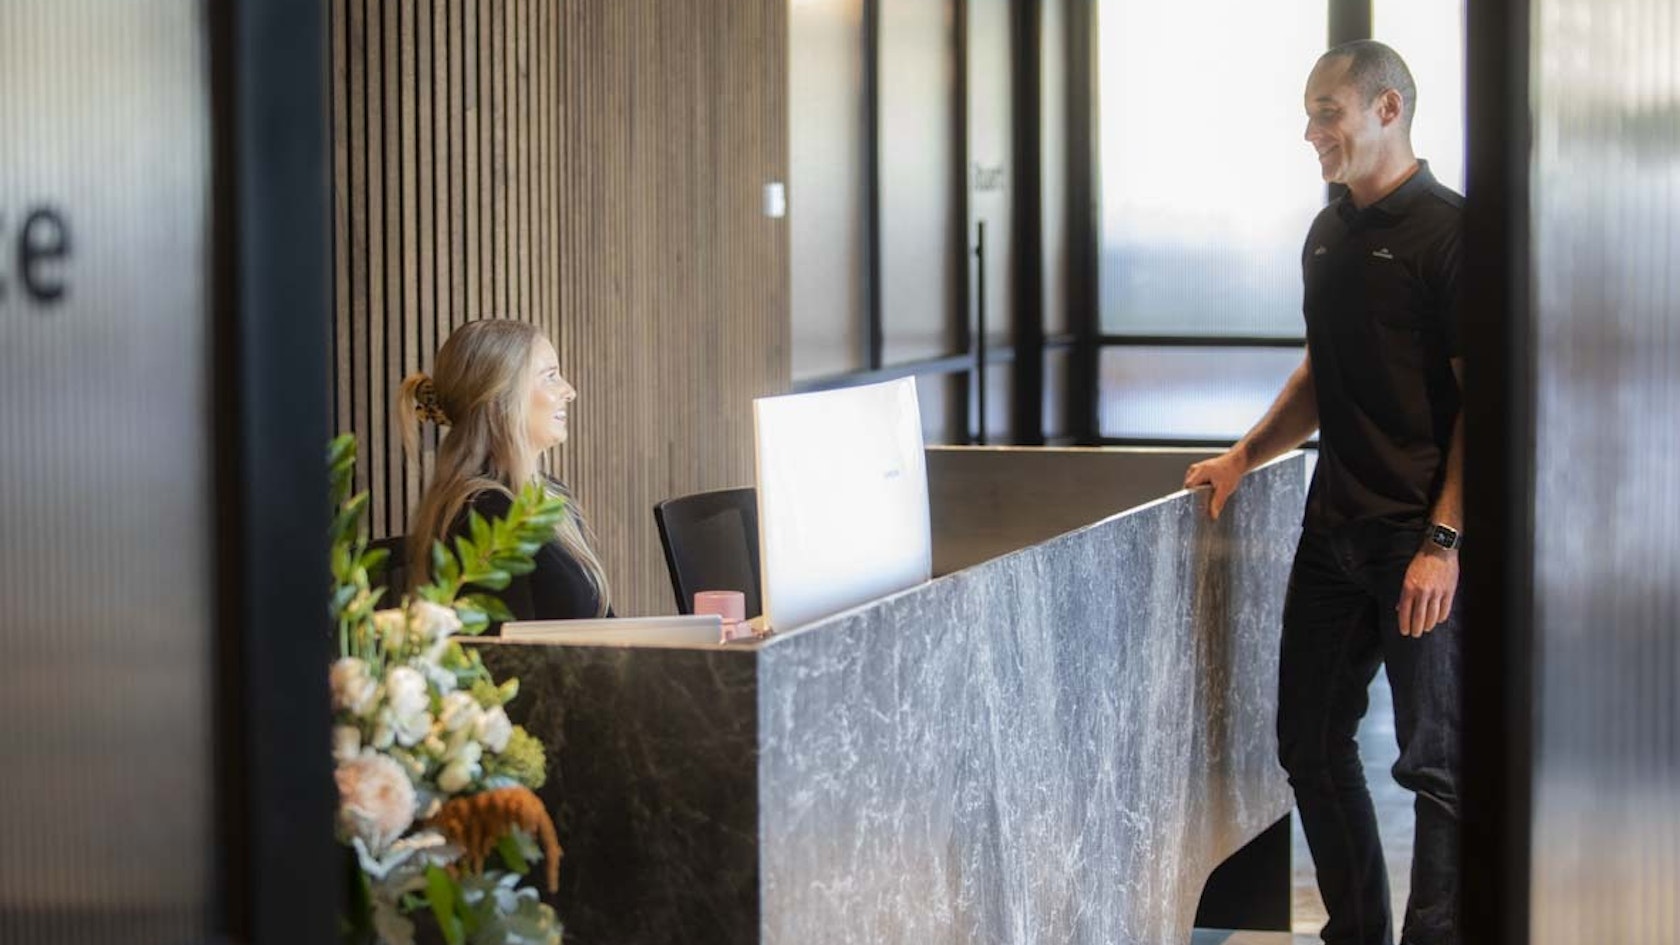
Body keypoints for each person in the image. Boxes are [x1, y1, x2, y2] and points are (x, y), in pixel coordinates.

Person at [1184, 41, 1464, 945]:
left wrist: (1445, 541)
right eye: (1309, 114)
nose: (1311, 132)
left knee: (1437, 768)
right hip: (1335, 529)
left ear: (1388, 109)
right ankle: (1359, 931)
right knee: (1307, 741)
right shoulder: (1327, 232)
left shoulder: (1453, 235)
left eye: (1327, 112)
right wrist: (1243, 456)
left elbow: (1488, 404)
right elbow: (1320, 373)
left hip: (1420, 540)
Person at [400, 318, 612, 626]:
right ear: (502, 400)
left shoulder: (549, 494)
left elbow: (604, 622)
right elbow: (507, 648)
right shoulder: (484, 513)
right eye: (550, 377)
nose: (570, 391)